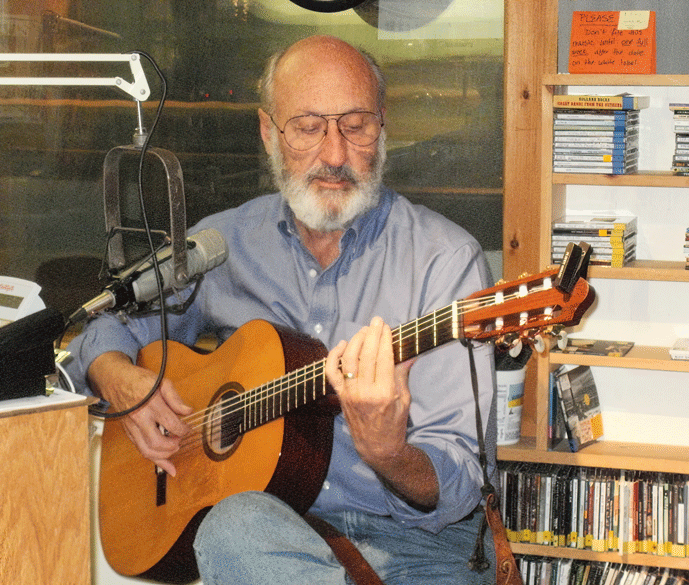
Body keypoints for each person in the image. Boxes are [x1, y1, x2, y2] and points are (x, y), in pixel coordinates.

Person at [65, 35, 498, 585]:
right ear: (269, 132)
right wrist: (117, 376)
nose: (335, 154)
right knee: (233, 525)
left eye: (356, 125)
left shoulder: (445, 260)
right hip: (275, 534)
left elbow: (463, 477)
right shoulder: (223, 244)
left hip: (414, 543)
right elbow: (109, 325)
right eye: (309, 127)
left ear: (382, 127)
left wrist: (390, 454)